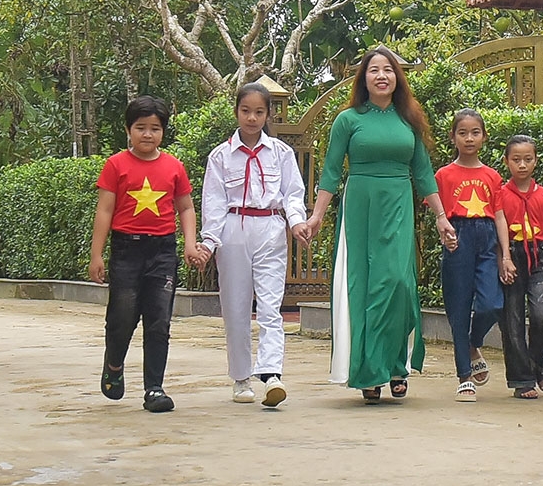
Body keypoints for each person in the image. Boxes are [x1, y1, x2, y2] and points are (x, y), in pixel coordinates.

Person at [294, 47, 453, 403]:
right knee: (365, 288)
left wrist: (441, 216)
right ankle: (370, 371)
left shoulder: (408, 119)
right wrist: (317, 215)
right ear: (363, 78)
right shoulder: (348, 120)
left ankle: (397, 363)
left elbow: (424, 173)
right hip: (361, 206)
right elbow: (332, 172)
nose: (381, 76)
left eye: (388, 70)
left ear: (397, 78)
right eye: (374, 70)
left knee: (398, 283)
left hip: (398, 202)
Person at [89, 97, 206, 413]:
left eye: (155, 128)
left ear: (163, 132)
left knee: (158, 321)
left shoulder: (174, 167)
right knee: (122, 315)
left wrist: (190, 243)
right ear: (128, 130)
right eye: (140, 127)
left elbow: (185, 207)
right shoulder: (115, 165)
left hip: (162, 252)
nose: (147, 134)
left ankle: (154, 388)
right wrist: (96, 255)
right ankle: (114, 364)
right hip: (126, 250)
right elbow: (104, 209)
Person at [202, 80, 305, 410]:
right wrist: (209, 240)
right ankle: (241, 377)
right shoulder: (220, 156)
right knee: (235, 305)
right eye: (246, 111)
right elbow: (214, 201)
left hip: (271, 228)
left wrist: (296, 221)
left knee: (272, 304)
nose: (252, 118)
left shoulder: (281, 153)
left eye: (259, 112)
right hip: (234, 229)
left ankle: (271, 372)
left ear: (267, 115)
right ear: (236, 112)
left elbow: (293, 193)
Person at [435, 109, 508, 398]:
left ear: (484, 137)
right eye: (462, 133)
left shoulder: (492, 175)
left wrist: (505, 255)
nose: (469, 138)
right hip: (458, 237)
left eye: (475, 132)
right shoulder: (443, 175)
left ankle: (472, 342)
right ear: (453, 137)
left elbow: (500, 216)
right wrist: (447, 236)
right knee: (459, 307)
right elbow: (439, 213)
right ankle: (463, 374)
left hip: (487, 237)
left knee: (492, 303)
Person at [495, 134, 543, 400]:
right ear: (506, 162)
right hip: (512, 256)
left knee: (542, 316)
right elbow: (497, 228)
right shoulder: (500, 195)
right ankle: (522, 379)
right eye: (516, 160)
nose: (522, 165)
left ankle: (536, 357)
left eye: (528, 159)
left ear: (536, 161)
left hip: (539, 258)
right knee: (511, 322)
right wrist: (504, 259)